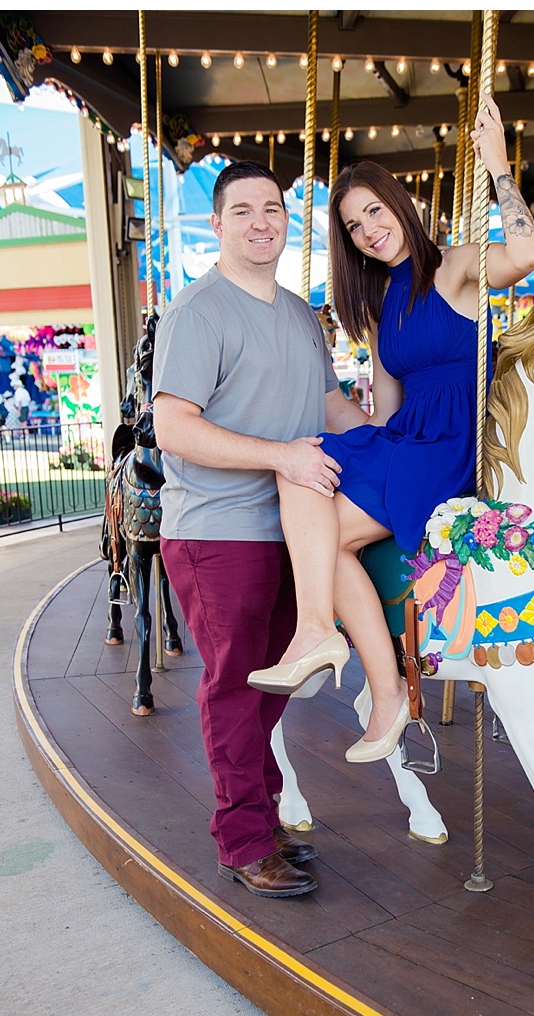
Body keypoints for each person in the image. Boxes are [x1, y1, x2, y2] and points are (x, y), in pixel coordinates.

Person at [248, 91, 534, 762]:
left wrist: (496, 164)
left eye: (373, 212)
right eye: (352, 226)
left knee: (326, 534)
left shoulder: (459, 267)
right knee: (301, 467)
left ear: (398, 205)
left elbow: (523, 255)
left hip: (454, 445)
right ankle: (341, 649)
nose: (368, 230)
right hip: (408, 439)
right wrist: (362, 445)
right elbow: (384, 401)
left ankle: (357, 667)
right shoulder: (381, 303)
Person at [152, 159, 346, 899]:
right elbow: (173, 426)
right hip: (219, 527)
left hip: (298, 530)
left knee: (273, 683)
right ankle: (243, 839)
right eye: (243, 211)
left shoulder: (300, 313)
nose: (261, 221)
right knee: (236, 686)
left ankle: (259, 815)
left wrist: (405, 447)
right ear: (218, 223)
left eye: (273, 208)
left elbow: (331, 411)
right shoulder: (197, 311)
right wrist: (281, 459)